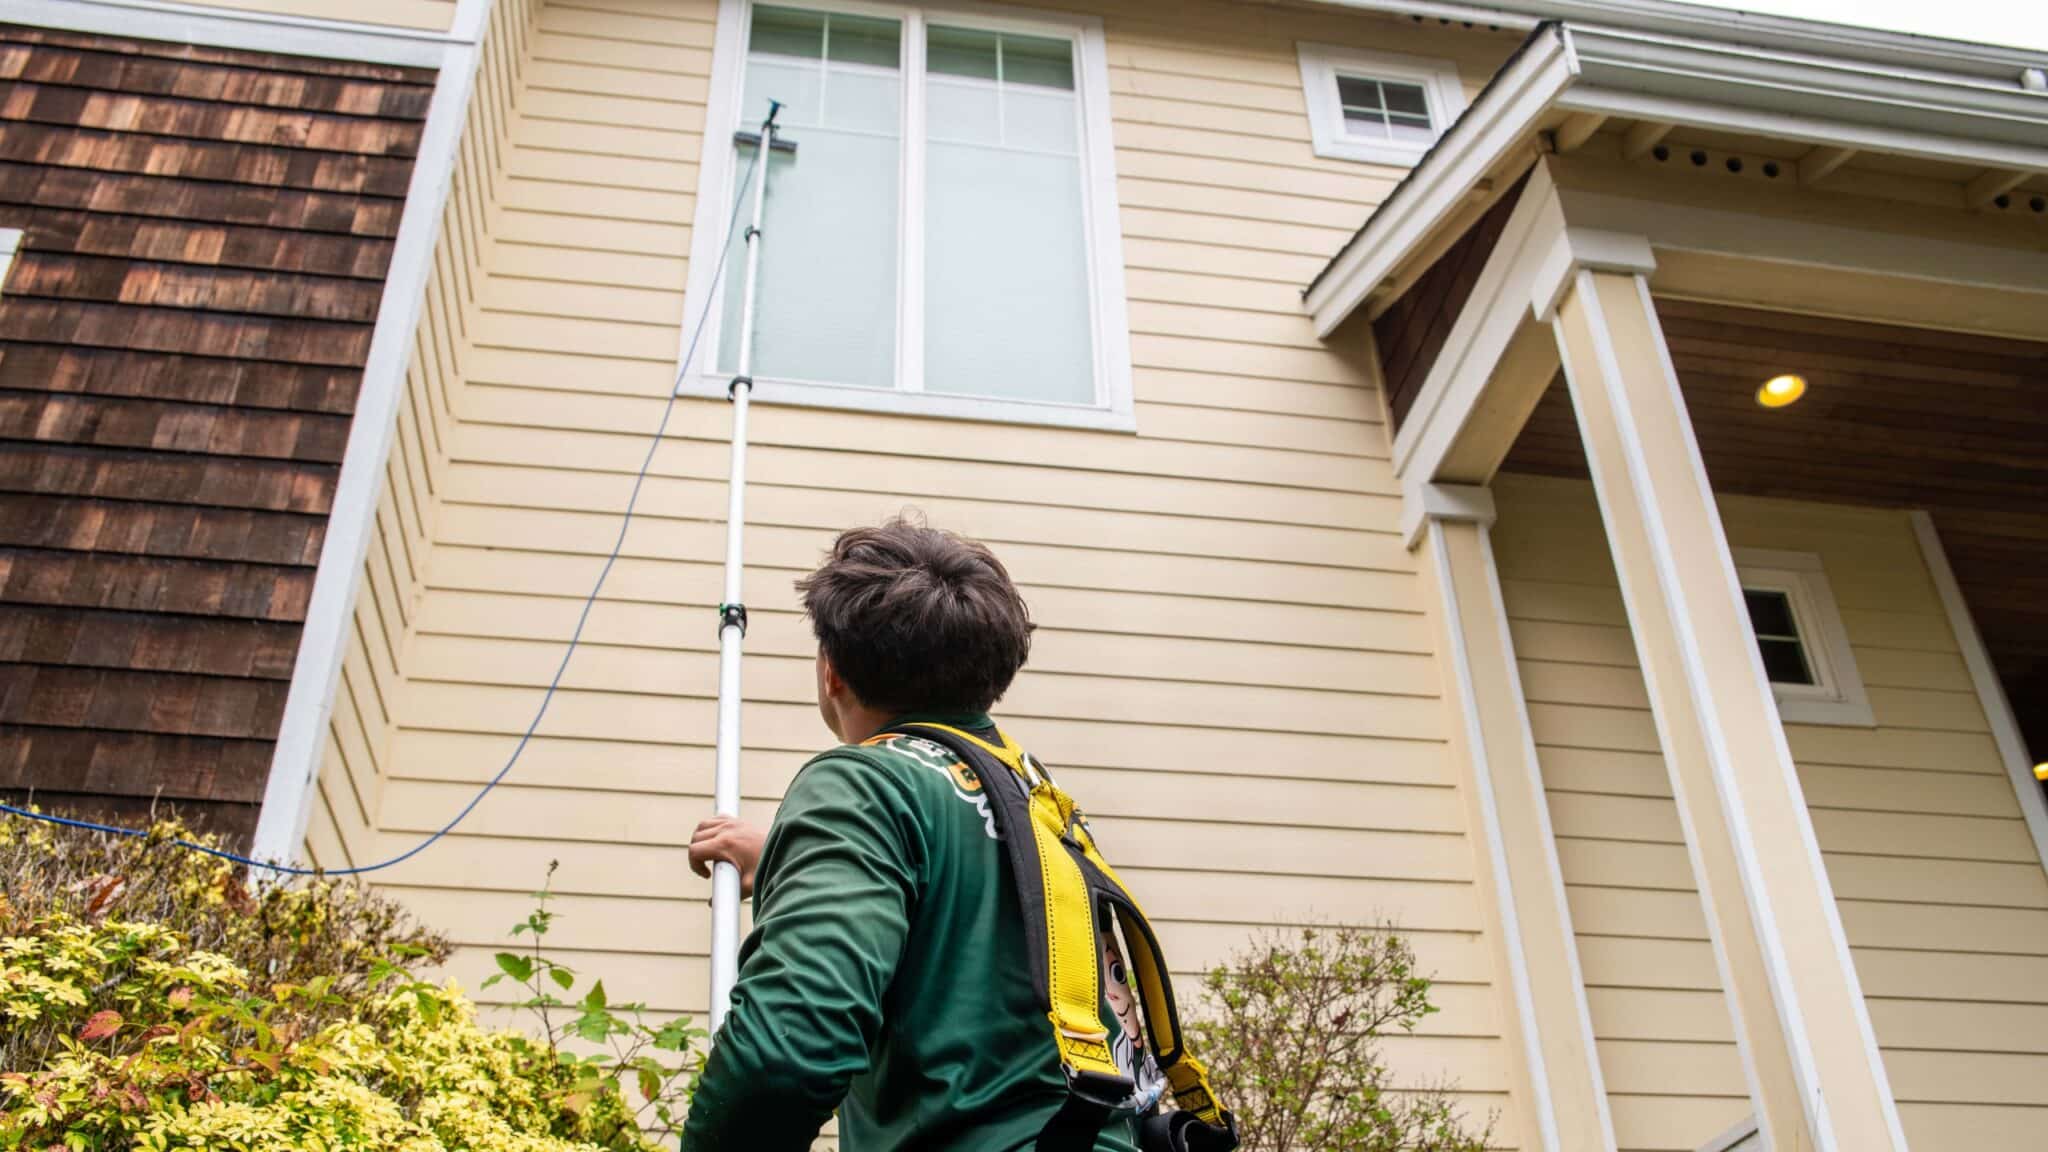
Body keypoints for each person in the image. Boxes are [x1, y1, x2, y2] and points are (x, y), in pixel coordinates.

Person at [679, 517, 1148, 1152]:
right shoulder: (1037, 799)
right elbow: (970, 912)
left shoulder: (861, 784)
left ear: (833, 672)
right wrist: (793, 863)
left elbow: (785, 1057)